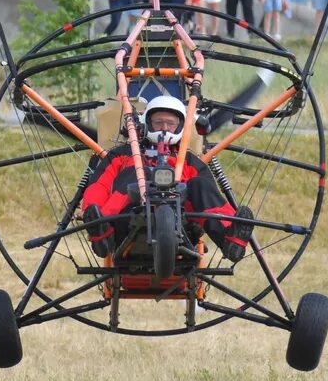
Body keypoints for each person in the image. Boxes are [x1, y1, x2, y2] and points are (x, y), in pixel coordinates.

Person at [79, 96, 254, 263]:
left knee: (200, 184)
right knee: (137, 173)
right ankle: (102, 230)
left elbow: (208, 193)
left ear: (180, 127)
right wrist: (92, 213)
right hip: (126, 219)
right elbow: (99, 186)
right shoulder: (122, 155)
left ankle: (230, 237)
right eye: (158, 122)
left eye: (170, 123)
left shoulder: (189, 160)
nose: (164, 128)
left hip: (183, 222)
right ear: (147, 123)